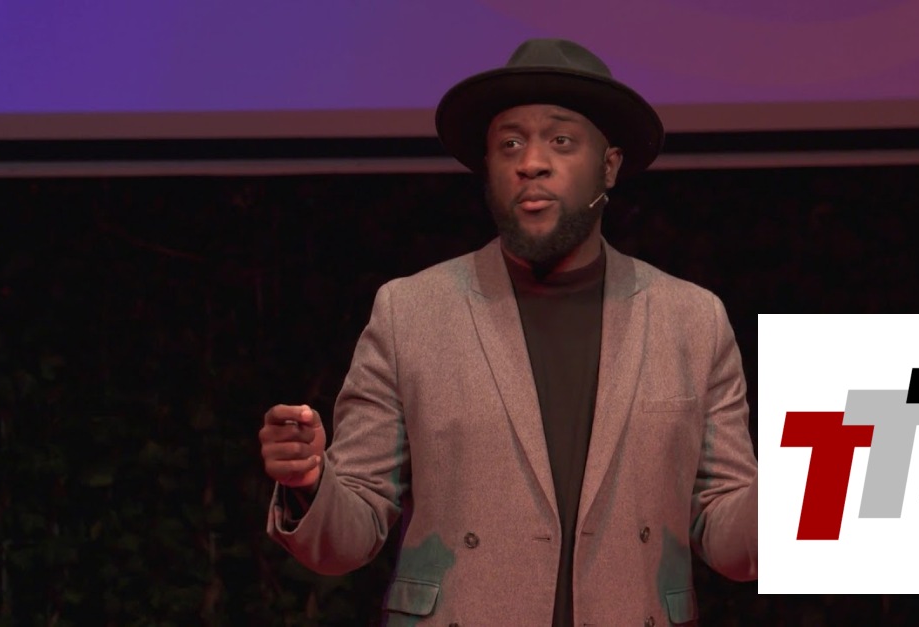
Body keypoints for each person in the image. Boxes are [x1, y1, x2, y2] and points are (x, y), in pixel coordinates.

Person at [259, 38, 757, 626]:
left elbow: (729, 536)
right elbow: (350, 533)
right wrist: (311, 483)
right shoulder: (410, 312)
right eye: (510, 144)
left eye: (561, 141)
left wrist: (814, 484)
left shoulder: (691, 320)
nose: (531, 163)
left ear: (610, 166)